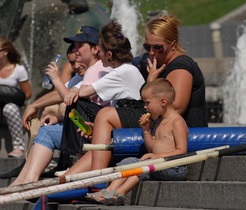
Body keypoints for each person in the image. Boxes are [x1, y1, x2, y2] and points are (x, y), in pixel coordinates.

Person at [62, 12, 208, 175]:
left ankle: (95, 179)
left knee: (106, 114)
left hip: (179, 128)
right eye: (148, 47)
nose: (152, 52)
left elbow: (176, 107)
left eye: (158, 47)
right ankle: (69, 180)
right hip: (160, 124)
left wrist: (151, 82)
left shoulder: (180, 65)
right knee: (102, 123)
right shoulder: (162, 64)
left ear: (173, 44)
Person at [61, 18, 145, 175]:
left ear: (109, 54)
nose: (98, 55)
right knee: (87, 108)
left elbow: (85, 92)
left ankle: (83, 161)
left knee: (79, 103)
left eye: (100, 51)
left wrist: (70, 89)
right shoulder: (124, 69)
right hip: (129, 115)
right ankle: (76, 169)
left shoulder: (122, 72)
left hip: (136, 117)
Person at [85, 78, 188, 205]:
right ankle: (108, 191)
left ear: (163, 102)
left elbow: (182, 150)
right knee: (128, 162)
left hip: (174, 167)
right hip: (156, 164)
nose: (145, 107)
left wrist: (157, 156)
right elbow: (152, 149)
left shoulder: (177, 122)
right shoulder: (160, 122)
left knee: (142, 166)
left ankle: (120, 193)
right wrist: (146, 131)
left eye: (147, 103)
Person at [9, 43, 88, 185]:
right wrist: (36, 106)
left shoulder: (99, 71)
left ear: (95, 50)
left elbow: (67, 95)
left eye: (77, 58)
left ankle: (29, 179)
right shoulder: (83, 74)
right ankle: (26, 171)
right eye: (72, 62)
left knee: (53, 122)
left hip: (90, 131)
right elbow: (65, 92)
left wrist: (55, 79)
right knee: (49, 114)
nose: (75, 65)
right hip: (83, 126)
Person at [0, 36, 32, 158]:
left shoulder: (18, 70)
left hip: (12, 112)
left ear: (5, 52)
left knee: (9, 107)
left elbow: (28, 94)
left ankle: (19, 147)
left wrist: (9, 95)